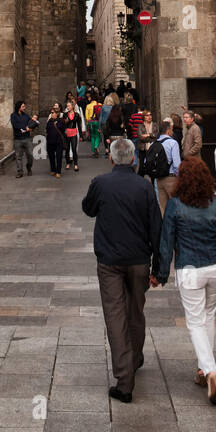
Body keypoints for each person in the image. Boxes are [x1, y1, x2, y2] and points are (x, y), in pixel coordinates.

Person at [152, 156, 216, 405]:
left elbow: (166, 242)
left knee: (195, 322)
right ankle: (203, 371)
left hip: (191, 270)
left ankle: (210, 369)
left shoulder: (174, 205)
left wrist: (160, 274)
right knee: (208, 317)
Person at [81, 136, 162, 404]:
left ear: (112, 158)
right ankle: (134, 357)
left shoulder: (101, 184)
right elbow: (156, 227)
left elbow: (88, 209)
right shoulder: (145, 187)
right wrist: (160, 267)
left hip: (110, 261)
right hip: (139, 260)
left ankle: (124, 380)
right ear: (135, 159)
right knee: (135, 310)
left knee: (116, 314)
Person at [142, 116, 181, 214]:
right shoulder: (173, 143)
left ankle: (165, 227)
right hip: (171, 178)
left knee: (163, 208)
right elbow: (177, 164)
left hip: (158, 179)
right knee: (177, 207)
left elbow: (146, 160)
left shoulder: (154, 143)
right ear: (168, 131)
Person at [10, 100, 38, 178]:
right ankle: (20, 172)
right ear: (19, 107)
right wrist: (24, 127)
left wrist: (31, 128)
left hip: (27, 138)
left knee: (30, 155)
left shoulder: (26, 116)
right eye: (23, 106)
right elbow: (15, 125)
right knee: (18, 156)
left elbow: (31, 123)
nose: (24, 108)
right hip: (17, 139)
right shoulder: (13, 115)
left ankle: (29, 167)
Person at [61, 103, 82, 170]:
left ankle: (76, 164)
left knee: (74, 149)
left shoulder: (77, 115)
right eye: (67, 106)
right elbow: (62, 124)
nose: (68, 107)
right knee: (67, 150)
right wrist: (65, 122)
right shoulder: (65, 114)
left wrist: (81, 135)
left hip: (74, 132)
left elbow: (79, 125)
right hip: (67, 133)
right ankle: (67, 163)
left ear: (72, 106)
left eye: (69, 106)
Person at [46, 104, 65, 177]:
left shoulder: (61, 121)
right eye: (51, 113)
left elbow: (63, 130)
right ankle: (53, 169)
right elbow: (47, 130)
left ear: (56, 114)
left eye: (53, 113)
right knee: (51, 157)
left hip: (58, 142)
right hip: (50, 142)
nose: (51, 114)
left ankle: (58, 171)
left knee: (59, 156)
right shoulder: (49, 121)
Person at [136, 109, 156, 174]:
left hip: (153, 148)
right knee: (141, 168)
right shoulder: (140, 126)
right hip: (143, 149)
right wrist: (151, 136)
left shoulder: (155, 125)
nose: (149, 117)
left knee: (152, 167)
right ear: (144, 117)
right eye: (147, 115)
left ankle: (153, 183)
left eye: (150, 115)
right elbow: (141, 137)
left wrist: (148, 135)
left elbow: (156, 136)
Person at [86, 91, 103, 157]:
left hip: (91, 122)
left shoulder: (88, 106)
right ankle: (96, 146)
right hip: (97, 122)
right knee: (97, 136)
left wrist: (88, 123)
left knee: (92, 136)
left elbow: (86, 116)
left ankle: (93, 150)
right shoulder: (100, 105)